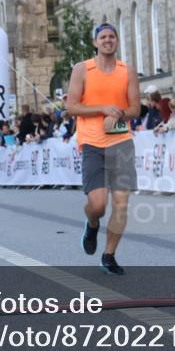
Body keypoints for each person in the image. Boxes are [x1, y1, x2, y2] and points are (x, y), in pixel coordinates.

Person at [67, 23, 140, 275]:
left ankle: (109, 255)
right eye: (103, 37)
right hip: (92, 143)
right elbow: (72, 107)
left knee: (120, 204)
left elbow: (135, 110)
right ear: (95, 43)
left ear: (117, 41)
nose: (108, 40)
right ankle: (92, 223)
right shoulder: (82, 69)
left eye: (112, 37)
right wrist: (102, 109)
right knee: (98, 204)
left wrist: (118, 112)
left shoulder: (127, 70)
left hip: (121, 142)